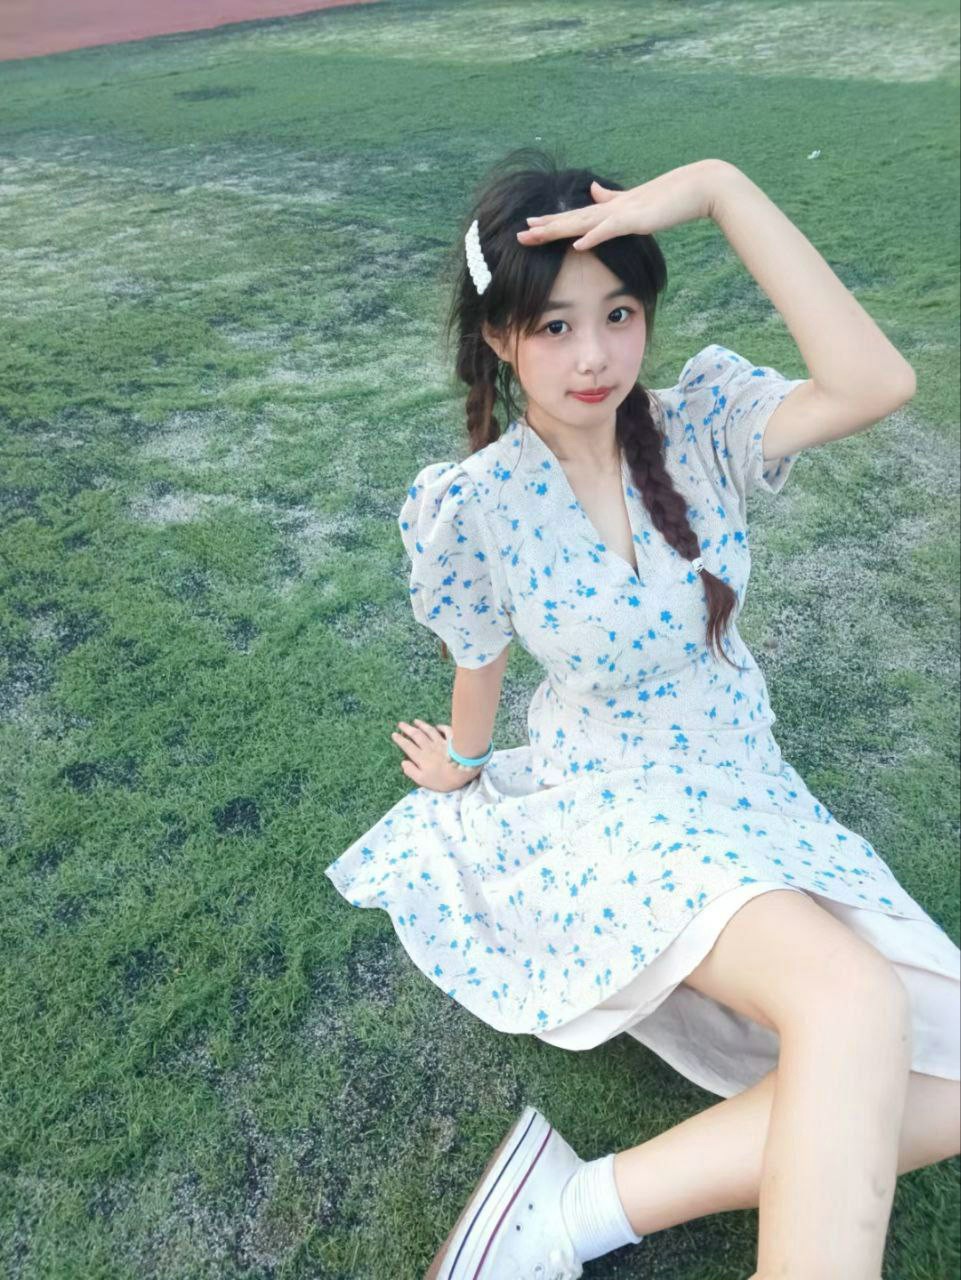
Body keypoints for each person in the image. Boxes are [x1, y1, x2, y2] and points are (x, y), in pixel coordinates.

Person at [325, 151, 961, 1279]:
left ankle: (567, 1213)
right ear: (499, 337)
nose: (595, 356)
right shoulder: (474, 504)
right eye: (556, 326)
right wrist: (464, 762)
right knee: (854, 1001)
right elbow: (478, 661)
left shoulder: (702, 420)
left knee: (942, 1074)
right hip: (618, 799)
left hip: (746, 785)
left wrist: (721, 188)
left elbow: (874, 381)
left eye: (618, 314)